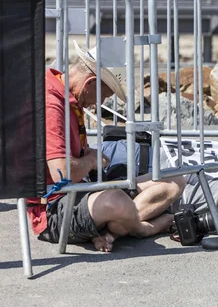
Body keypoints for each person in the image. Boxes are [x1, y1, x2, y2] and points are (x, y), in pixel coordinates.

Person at [26, 40, 185, 252]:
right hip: (55, 208)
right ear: (90, 82)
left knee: (174, 180)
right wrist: (91, 160)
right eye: (104, 96)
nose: (98, 104)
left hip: (81, 191)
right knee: (115, 199)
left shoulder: (69, 96)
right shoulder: (51, 104)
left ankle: (111, 232)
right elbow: (62, 173)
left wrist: (89, 156)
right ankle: (141, 229)